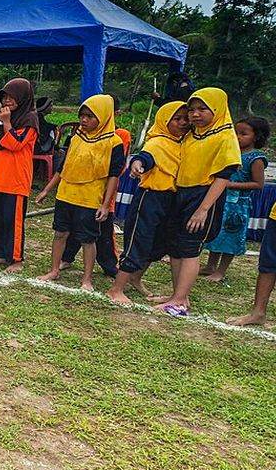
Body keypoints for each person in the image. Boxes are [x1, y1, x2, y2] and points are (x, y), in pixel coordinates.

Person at [154, 88, 242, 316]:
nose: (195, 114)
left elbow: (223, 176)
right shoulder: (193, 134)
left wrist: (203, 209)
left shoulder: (225, 136)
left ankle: (180, 300)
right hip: (181, 193)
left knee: (190, 248)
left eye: (203, 109)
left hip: (203, 195)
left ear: (217, 109)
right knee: (175, 245)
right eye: (192, 109)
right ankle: (177, 295)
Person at [36, 94, 126, 291]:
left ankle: (87, 279)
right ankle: (53, 270)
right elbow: (63, 167)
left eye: (90, 116)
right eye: (82, 115)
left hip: (90, 198)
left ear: (103, 117)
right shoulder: (77, 137)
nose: (84, 120)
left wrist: (104, 204)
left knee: (87, 239)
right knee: (60, 233)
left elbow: (113, 175)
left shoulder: (114, 142)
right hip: (66, 194)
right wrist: (46, 190)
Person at [106, 101, 189, 304]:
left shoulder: (182, 143)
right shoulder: (157, 142)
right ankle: (116, 289)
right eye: (177, 119)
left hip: (170, 200)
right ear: (164, 120)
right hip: (150, 198)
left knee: (158, 244)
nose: (183, 123)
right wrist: (137, 165)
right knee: (138, 241)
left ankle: (136, 277)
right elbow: (144, 157)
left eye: (185, 119)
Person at [61, 95, 132, 276]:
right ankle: (66, 258)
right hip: (77, 194)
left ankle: (110, 266)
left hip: (101, 193)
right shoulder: (81, 136)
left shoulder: (118, 137)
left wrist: (105, 200)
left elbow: (115, 170)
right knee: (78, 228)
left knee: (103, 232)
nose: (85, 119)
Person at [201, 117, 269, 282]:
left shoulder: (255, 159)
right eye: (235, 132)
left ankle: (221, 271)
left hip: (237, 206)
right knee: (217, 234)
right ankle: (210, 265)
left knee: (231, 237)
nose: (237, 137)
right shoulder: (230, 152)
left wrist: (230, 184)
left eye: (243, 134)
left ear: (256, 137)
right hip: (221, 201)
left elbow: (258, 184)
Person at [0, 79, 39, 272]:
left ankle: (16, 259)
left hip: (15, 179)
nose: (7, 101)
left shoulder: (30, 119)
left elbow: (16, 144)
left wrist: (6, 123)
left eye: (12, 97)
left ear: (23, 97)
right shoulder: (4, 117)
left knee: (12, 221)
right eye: (5, 97)